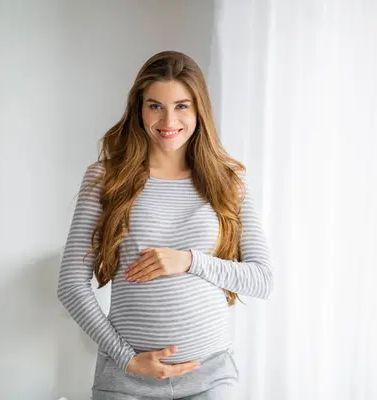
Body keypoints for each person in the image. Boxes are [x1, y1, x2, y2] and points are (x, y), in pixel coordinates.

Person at [57, 50, 274, 400]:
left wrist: (189, 260)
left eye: (182, 106)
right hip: (126, 378)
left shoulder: (227, 182)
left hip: (210, 377)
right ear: (138, 108)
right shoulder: (106, 179)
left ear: (199, 109)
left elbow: (262, 280)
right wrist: (127, 359)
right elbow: (70, 286)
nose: (168, 119)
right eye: (155, 105)